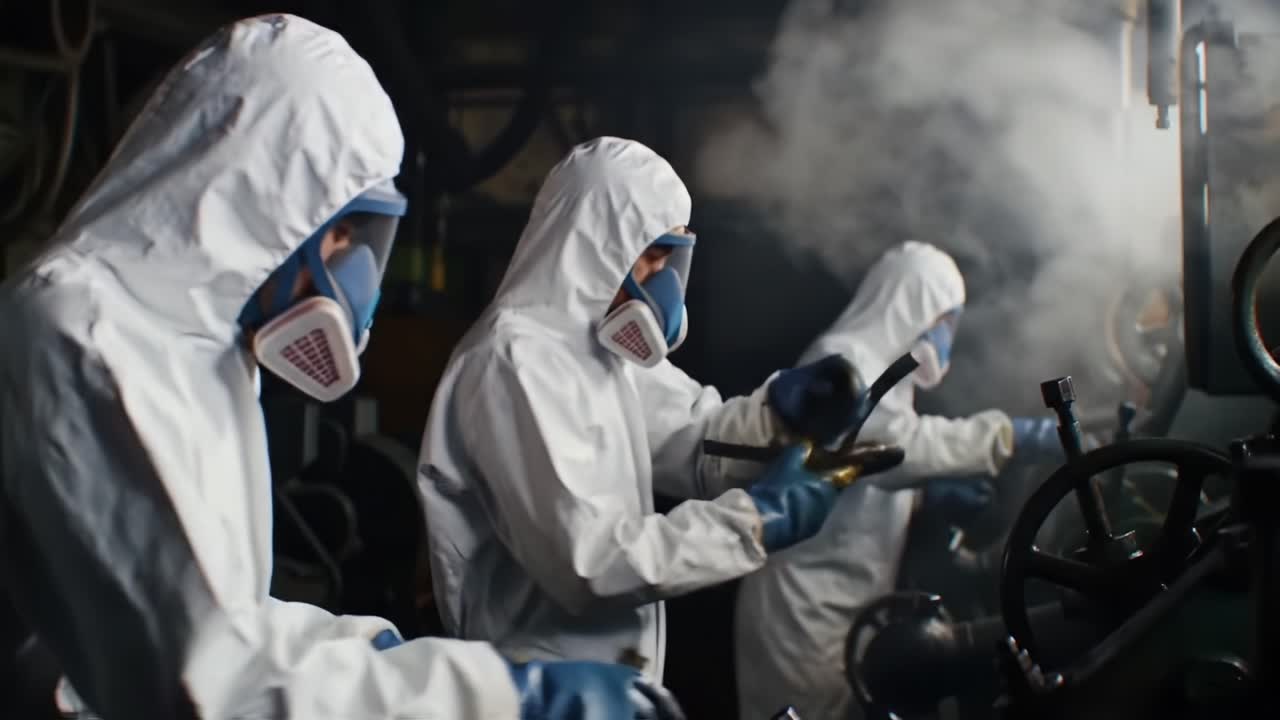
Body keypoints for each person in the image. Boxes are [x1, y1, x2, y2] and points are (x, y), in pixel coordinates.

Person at [0, 16, 684, 720]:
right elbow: (208, 677)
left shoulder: (192, 348)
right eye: (342, 234)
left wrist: (376, 650)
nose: (352, 274)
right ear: (261, 197)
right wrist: (498, 697)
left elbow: (230, 614)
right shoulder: (81, 335)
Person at [417, 136, 870, 691]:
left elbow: (697, 442)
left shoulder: (600, 349)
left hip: (607, 683)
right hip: (539, 691)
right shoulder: (513, 362)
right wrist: (751, 524)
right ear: (595, 243)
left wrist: (778, 418)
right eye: (654, 253)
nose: (664, 280)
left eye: (673, 256)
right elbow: (589, 563)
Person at [733, 240, 1065, 720]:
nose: (945, 335)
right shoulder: (842, 362)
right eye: (945, 320)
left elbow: (861, 471)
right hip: (802, 605)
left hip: (844, 600)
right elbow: (895, 448)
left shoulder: (887, 375)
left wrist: (923, 499)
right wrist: (1009, 436)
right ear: (916, 304)